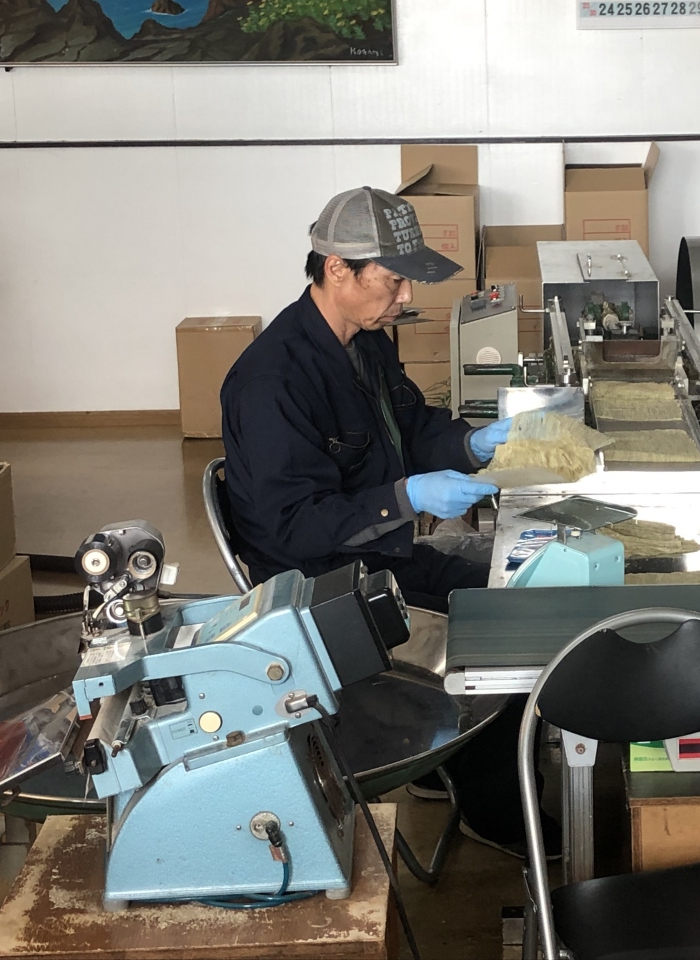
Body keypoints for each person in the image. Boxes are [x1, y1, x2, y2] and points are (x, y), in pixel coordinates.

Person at [220, 186, 551, 857]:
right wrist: (407, 498)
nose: (406, 296)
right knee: (506, 630)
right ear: (337, 269)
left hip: (378, 558)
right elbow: (295, 530)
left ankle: (438, 757)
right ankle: (496, 810)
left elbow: (412, 424)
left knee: (516, 585)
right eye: (393, 280)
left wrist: (472, 443)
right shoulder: (273, 382)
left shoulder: (364, 343)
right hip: (321, 590)